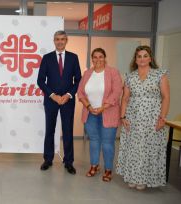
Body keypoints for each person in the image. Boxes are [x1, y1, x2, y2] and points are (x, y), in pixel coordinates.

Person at [117, 45, 170, 190]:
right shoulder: (130, 76)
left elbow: (166, 97)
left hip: (152, 118)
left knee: (148, 149)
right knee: (134, 149)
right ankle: (133, 176)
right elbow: (125, 98)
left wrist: (162, 118)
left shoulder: (160, 74)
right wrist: (123, 117)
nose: (142, 59)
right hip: (133, 118)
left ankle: (144, 179)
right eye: (139, 56)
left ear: (150, 58)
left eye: (145, 56)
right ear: (135, 59)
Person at [37, 30, 81, 174]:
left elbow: (78, 80)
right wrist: (52, 95)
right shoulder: (47, 58)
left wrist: (68, 95)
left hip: (68, 101)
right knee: (50, 130)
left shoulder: (73, 58)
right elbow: (40, 80)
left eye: (62, 39)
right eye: (57, 39)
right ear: (54, 41)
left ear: (66, 40)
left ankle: (68, 162)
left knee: (68, 131)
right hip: (51, 100)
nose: (60, 41)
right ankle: (48, 159)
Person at [77, 48, 123, 182]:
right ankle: (94, 166)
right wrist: (89, 106)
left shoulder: (113, 72)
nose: (98, 59)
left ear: (105, 58)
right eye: (95, 57)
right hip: (90, 113)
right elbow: (80, 92)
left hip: (108, 113)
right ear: (92, 59)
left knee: (108, 143)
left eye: (101, 57)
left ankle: (108, 169)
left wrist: (103, 107)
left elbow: (117, 92)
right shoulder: (87, 73)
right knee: (94, 141)